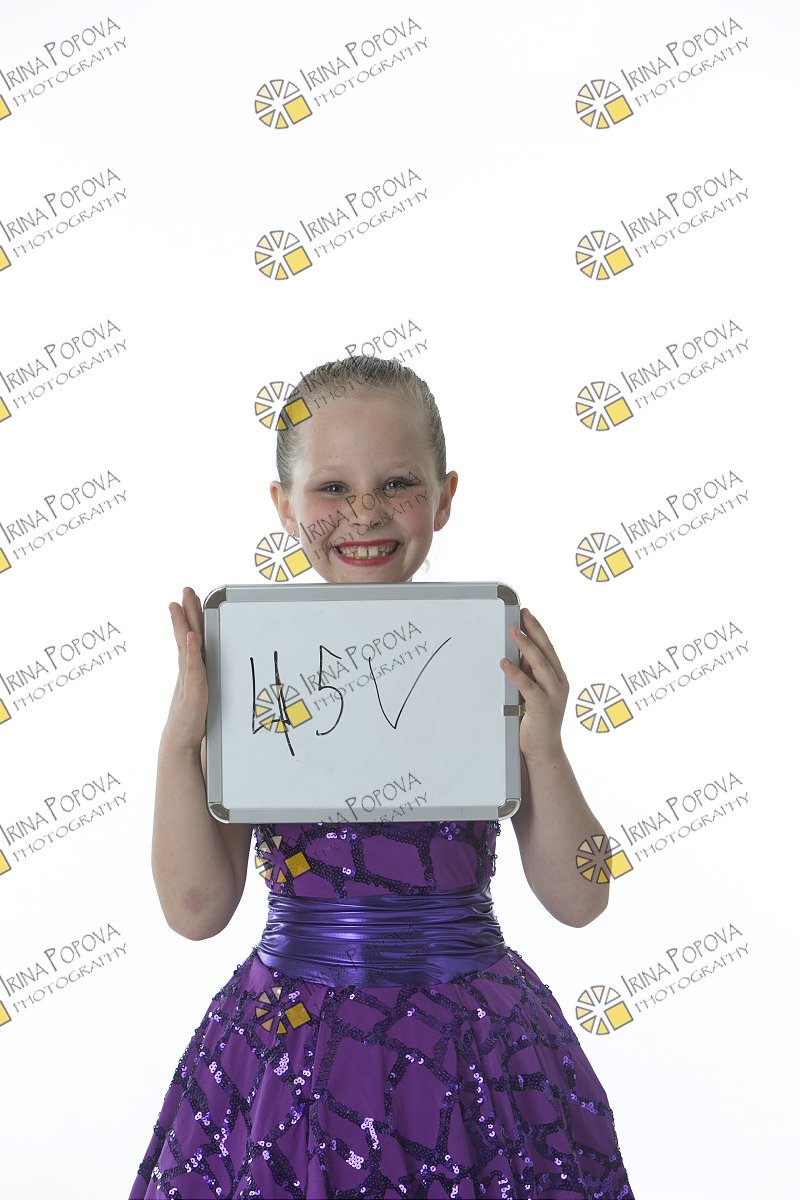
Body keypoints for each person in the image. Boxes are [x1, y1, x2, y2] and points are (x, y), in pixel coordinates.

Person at [130, 355, 635, 1199]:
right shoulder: (254, 668)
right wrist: (182, 741)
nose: (364, 511)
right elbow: (195, 910)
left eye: (397, 483)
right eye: (332, 487)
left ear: (444, 497)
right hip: (291, 1045)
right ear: (284, 507)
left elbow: (584, 896)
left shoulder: (490, 659)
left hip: (474, 1047)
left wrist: (545, 746)